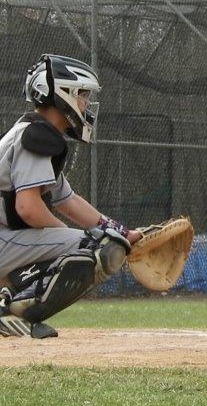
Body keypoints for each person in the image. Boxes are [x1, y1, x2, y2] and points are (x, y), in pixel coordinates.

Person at [0, 54, 141, 338]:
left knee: (99, 242)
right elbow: (28, 208)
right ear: (61, 95)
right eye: (82, 95)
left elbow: (69, 201)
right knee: (91, 249)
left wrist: (123, 233)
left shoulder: (33, 132)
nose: (86, 104)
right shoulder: (36, 137)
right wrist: (70, 242)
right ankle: (10, 311)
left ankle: (6, 303)